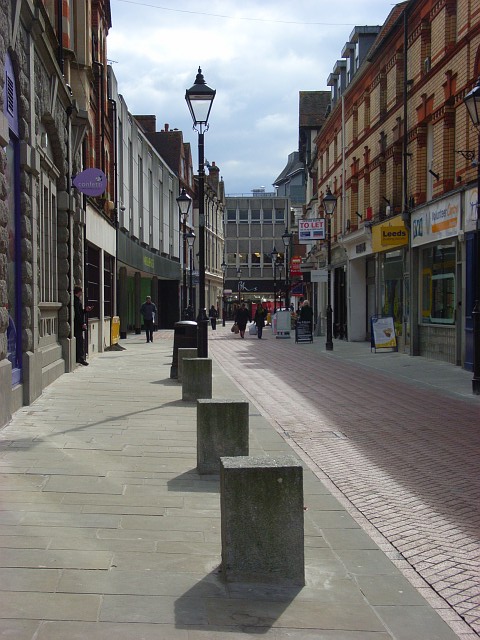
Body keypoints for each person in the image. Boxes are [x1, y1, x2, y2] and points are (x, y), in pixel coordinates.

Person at [74, 286, 93, 366]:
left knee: (80, 341)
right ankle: (80, 358)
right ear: (79, 292)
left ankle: (80, 357)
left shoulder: (77, 300)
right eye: (81, 292)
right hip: (77, 325)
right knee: (80, 341)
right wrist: (82, 323)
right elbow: (78, 314)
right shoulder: (76, 301)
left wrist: (85, 310)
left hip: (78, 324)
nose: (82, 294)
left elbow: (80, 312)